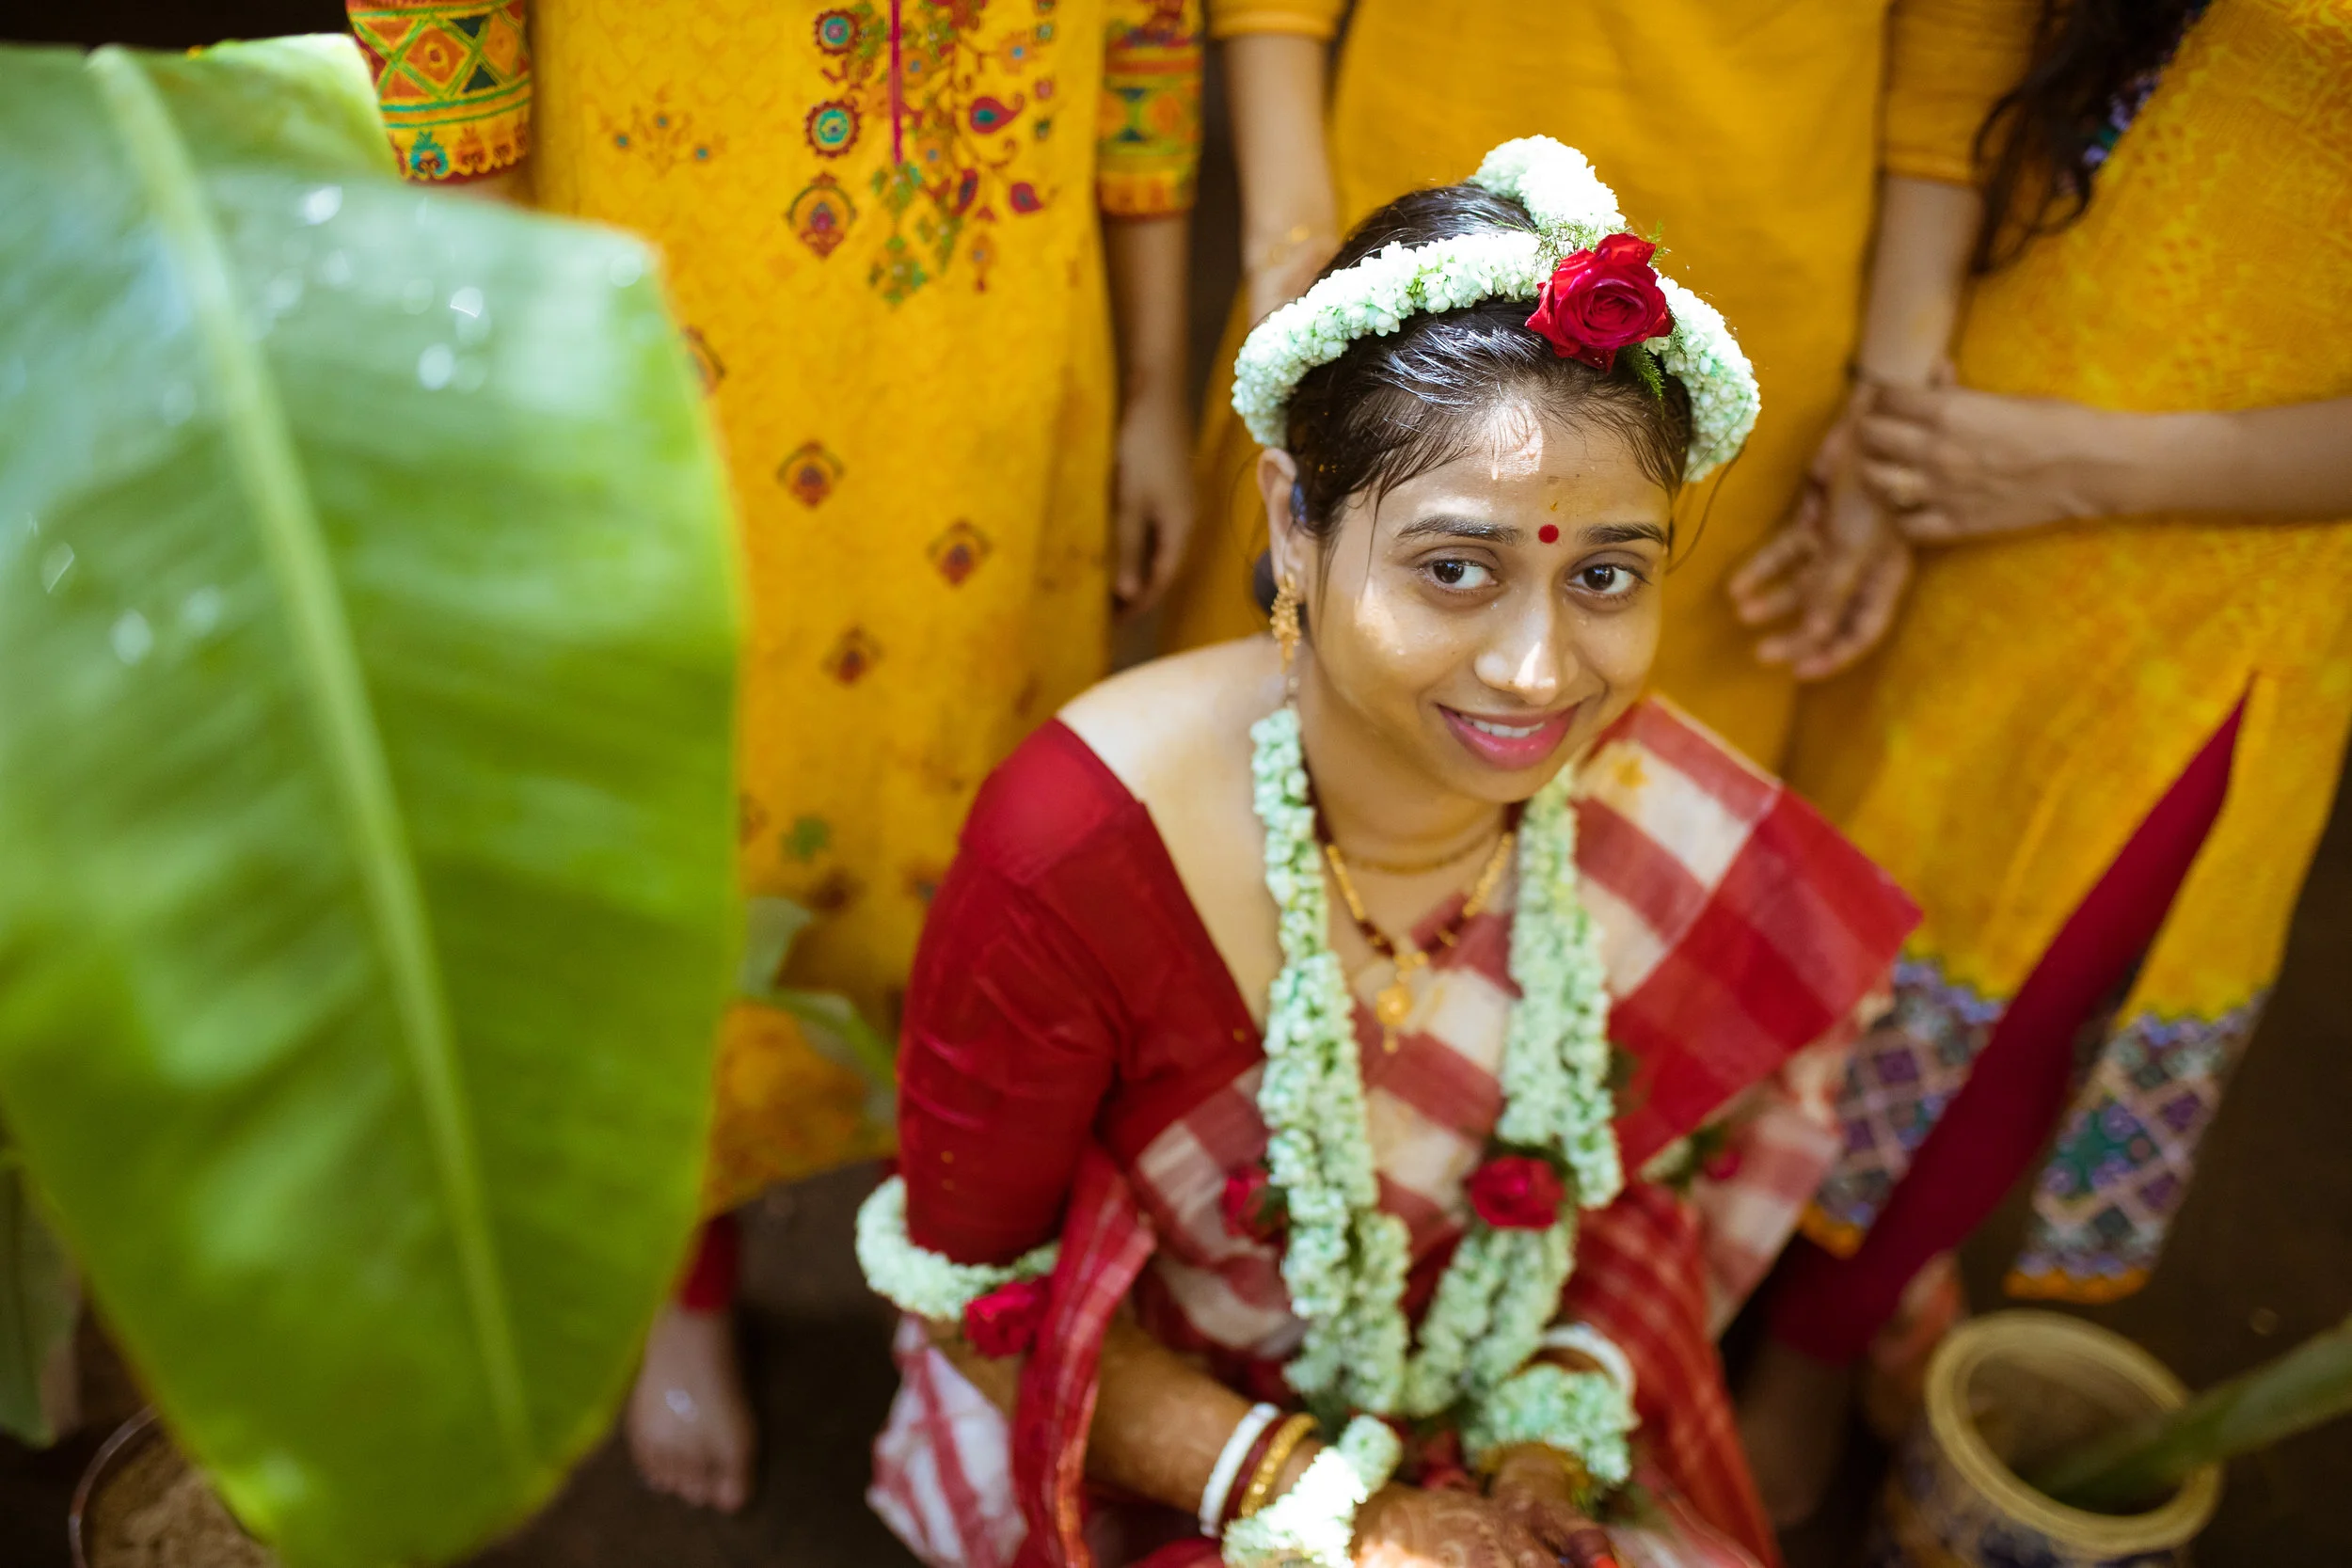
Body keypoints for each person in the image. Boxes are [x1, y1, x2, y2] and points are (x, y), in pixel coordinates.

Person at [855, 141, 1920, 1568]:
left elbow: (1637, 1181)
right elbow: (977, 1301)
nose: (1541, 672)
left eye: (1604, 574)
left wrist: (1543, 1446)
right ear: (1295, 517)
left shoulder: (1633, 795)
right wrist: (1348, 1511)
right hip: (1160, 1439)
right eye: (1455, 567)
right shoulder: (1077, 851)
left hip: (1501, 1384)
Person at [346, 0, 1207, 1512]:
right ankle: (682, 1260)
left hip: (996, 362)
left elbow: (1148, 27)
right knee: (670, 846)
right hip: (660, 336)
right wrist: (501, 357)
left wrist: (1151, 380)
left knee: (983, 845)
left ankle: (959, 1262)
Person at [1729, 0, 2352, 1523]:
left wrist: (2069, 464)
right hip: (1946, 418)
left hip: (2220, 560)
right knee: (1795, 912)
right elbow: (1963, 36)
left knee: (2007, 1003)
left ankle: (1801, 1365)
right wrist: (1903, 417)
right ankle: (1675, 1283)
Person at [1157, 0, 2030, 770]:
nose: (1529, 673)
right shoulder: (1349, 311)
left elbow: (1957, 55)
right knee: (1278, 737)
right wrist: (1292, 243)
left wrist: (1891, 412)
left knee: (1625, 801)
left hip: (1759, 300)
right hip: (1399, 276)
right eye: (1459, 566)